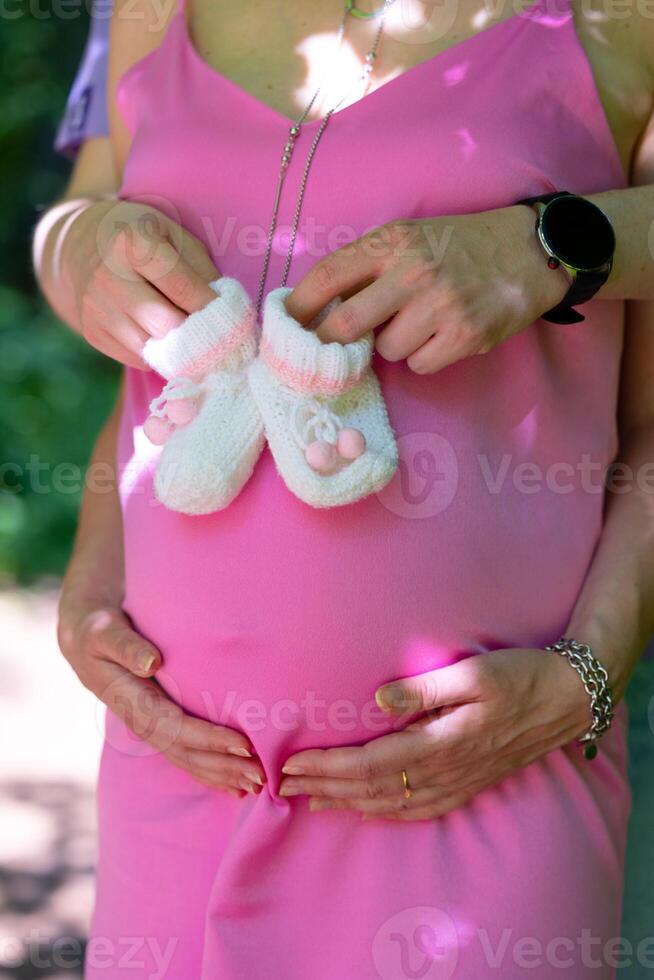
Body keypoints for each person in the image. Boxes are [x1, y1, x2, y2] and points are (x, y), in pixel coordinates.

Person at [34, 0, 654, 976]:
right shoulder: (153, 11)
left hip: (485, 784)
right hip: (179, 777)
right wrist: (87, 586)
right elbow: (108, 279)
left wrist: (585, 676)